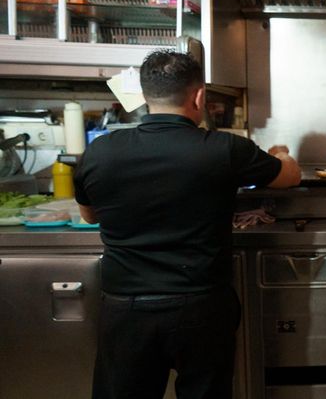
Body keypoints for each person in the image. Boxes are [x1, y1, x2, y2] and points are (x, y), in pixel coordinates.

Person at [75, 50, 301, 399]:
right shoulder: (224, 149)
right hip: (201, 307)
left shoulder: (100, 151)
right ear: (199, 97)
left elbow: (89, 215)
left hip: (127, 309)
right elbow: (289, 177)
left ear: (147, 96)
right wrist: (282, 152)